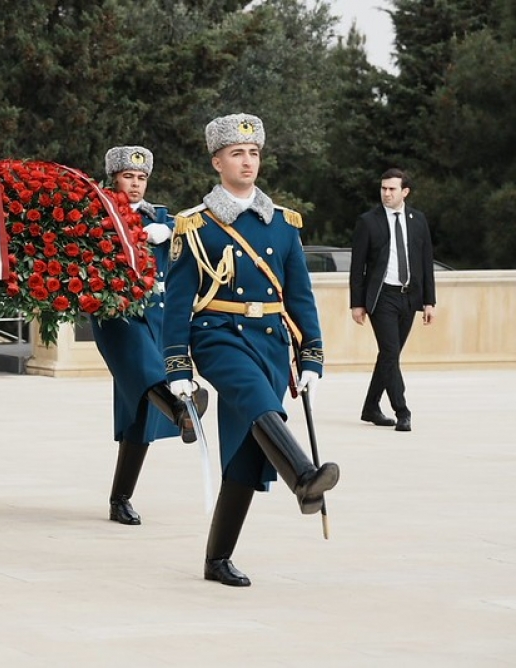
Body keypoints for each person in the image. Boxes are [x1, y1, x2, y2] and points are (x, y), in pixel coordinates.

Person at [162, 113, 339, 587]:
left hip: (271, 342)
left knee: (245, 452)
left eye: (253, 153)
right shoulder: (196, 225)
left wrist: (311, 355)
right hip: (218, 335)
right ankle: (303, 477)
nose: (247, 161)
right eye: (237, 153)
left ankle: (217, 559)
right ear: (217, 161)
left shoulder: (282, 224)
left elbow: (299, 295)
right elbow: (177, 302)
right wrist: (177, 365)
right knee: (259, 402)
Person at [90, 146, 207, 525]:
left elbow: (199, 237)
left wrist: (170, 230)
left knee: (139, 409)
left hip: (155, 315)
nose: (136, 184)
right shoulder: (97, 213)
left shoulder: (162, 218)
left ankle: (120, 498)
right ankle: (181, 408)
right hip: (116, 314)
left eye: (141, 178)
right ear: (114, 179)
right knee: (145, 369)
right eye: (128, 177)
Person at [349, 168, 436, 432]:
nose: (386, 193)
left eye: (392, 189)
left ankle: (370, 407)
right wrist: (357, 303)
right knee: (389, 352)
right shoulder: (368, 221)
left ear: (404, 192)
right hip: (382, 296)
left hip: (409, 297)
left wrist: (429, 302)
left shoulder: (418, 220)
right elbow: (357, 266)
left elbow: (426, 263)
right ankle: (402, 410)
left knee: (390, 355)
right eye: (383, 188)